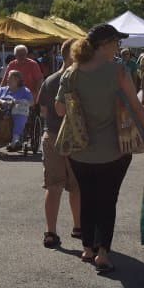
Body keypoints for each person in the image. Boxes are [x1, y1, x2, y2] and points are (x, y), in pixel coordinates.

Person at [56, 25, 144, 275]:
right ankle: (103, 252)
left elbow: (60, 111)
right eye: (117, 42)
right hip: (115, 149)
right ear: (106, 44)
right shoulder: (118, 70)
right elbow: (139, 109)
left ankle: (87, 247)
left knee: (87, 196)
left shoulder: (72, 72)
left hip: (79, 150)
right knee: (108, 200)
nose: (118, 47)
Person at [37, 39, 81, 248]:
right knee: (77, 186)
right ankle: (78, 226)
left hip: (52, 136)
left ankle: (51, 232)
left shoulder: (50, 80)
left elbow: (43, 111)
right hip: (75, 138)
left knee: (53, 186)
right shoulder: (78, 79)